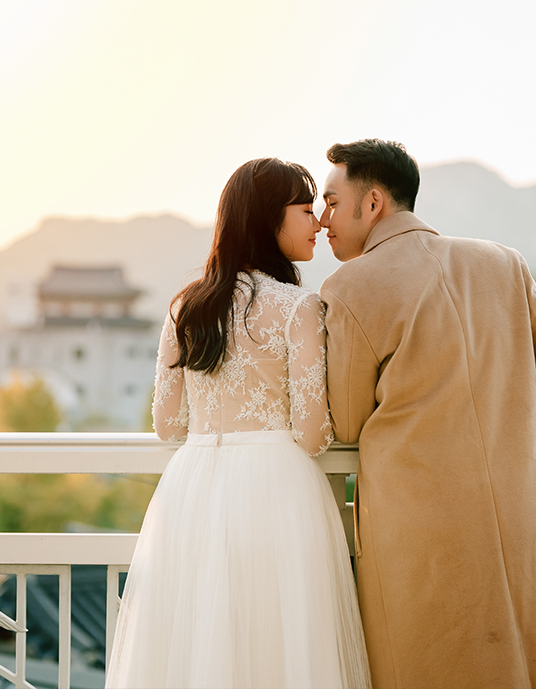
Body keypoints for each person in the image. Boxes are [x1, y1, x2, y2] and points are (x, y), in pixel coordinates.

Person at [317, 139, 536, 688]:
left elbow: (349, 424)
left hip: (419, 533)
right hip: (518, 517)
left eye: (333, 202)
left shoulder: (350, 288)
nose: (322, 218)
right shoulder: (501, 262)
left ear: (373, 202)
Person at [105, 158, 371, 689]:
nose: (317, 222)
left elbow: (166, 424)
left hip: (194, 488)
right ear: (269, 220)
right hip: (277, 490)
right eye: (304, 209)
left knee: (202, 643)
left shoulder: (187, 307)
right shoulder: (300, 306)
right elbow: (314, 434)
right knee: (281, 641)